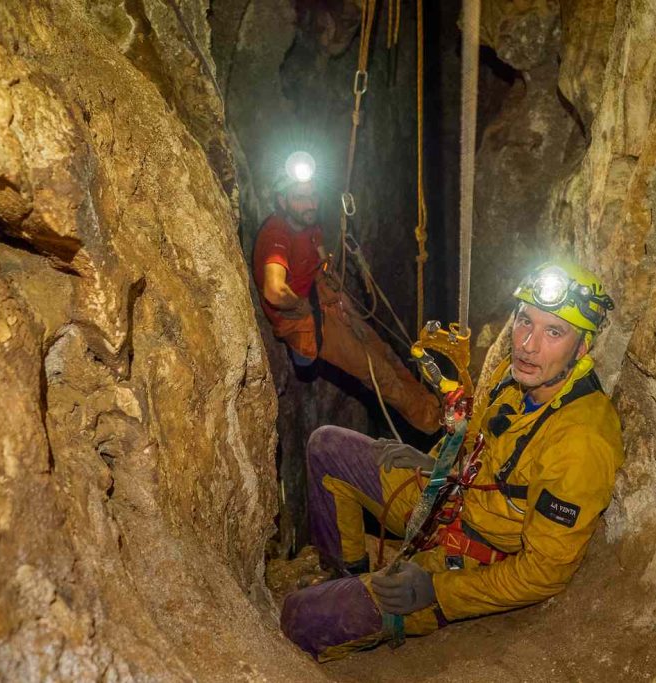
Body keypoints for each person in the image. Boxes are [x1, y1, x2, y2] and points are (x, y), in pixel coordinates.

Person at [281, 261, 624, 662]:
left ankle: (361, 604)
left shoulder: (581, 442)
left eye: (554, 332)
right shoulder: (510, 378)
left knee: (298, 616)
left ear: (581, 348)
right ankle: (345, 574)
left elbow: (543, 574)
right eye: (524, 321)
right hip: (447, 503)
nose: (528, 344)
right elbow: (472, 444)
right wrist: (433, 462)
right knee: (327, 446)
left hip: (467, 560)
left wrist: (436, 590)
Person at [251, 161, 441, 434]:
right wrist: (301, 305)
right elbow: (273, 290)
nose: (311, 204)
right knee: (378, 373)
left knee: (387, 354)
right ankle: (435, 426)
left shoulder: (310, 226)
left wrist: (339, 296)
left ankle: (433, 405)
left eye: (313, 196)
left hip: (324, 301)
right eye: (300, 198)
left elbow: (321, 262)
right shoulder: (276, 235)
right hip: (306, 320)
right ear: (282, 201)